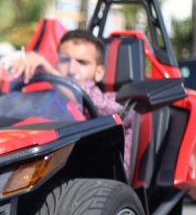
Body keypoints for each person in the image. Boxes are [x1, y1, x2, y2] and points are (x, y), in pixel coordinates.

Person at [18, 29, 134, 171]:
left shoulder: (115, 101)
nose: (72, 69)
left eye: (81, 62)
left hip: (96, 184)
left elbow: (121, 113)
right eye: (65, 60)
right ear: (56, 64)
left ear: (99, 72)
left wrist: (55, 77)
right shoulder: (45, 100)